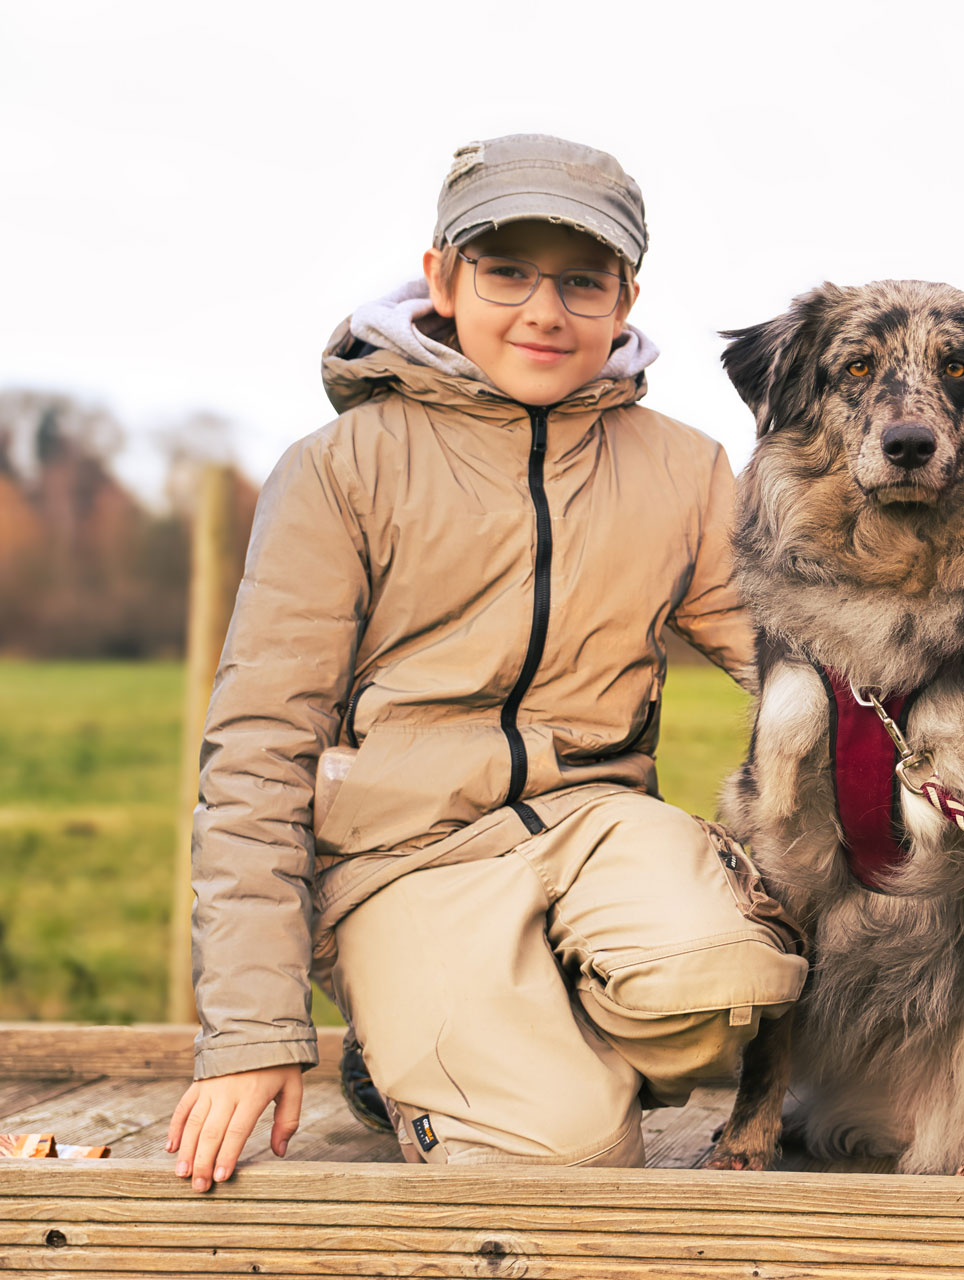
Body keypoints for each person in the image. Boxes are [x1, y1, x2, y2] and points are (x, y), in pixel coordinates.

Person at [166, 134, 806, 1190]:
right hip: (404, 856)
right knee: (571, 1156)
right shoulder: (342, 471)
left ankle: (502, 1029)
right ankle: (415, 1037)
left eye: (582, 281)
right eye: (507, 272)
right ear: (442, 279)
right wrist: (251, 1033)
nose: (545, 311)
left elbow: (794, 660)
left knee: (732, 977)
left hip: (598, 822)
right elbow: (256, 755)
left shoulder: (685, 468)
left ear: (626, 296)